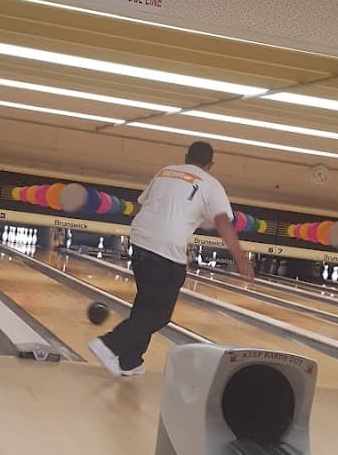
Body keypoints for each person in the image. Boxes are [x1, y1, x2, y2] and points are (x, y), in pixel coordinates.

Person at [89, 141, 254, 378]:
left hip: (140, 241)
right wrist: (240, 258)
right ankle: (109, 344)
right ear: (211, 165)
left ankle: (130, 361)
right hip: (166, 250)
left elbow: (145, 203)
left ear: (186, 157)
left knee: (146, 304)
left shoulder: (164, 171)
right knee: (160, 314)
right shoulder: (211, 184)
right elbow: (222, 221)